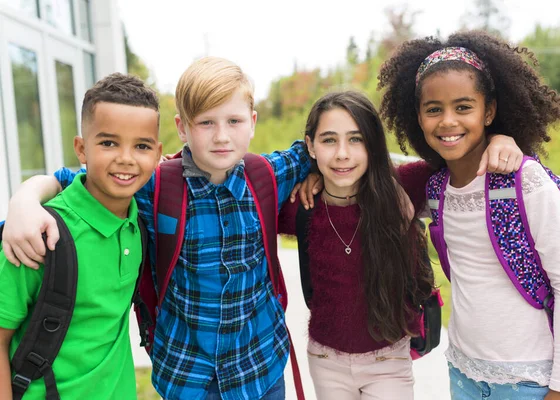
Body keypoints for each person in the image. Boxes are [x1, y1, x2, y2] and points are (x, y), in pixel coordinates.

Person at [1, 57, 311, 400]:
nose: (222, 136)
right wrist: (25, 199)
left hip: (259, 368)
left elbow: (317, 150)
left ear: (252, 122)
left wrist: (317, 177)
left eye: (234, 121)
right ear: (182, 127)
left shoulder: (268, 174)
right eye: (206, 122)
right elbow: (73, 182)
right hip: (186, 376)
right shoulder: (155, 184)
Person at [377, 30, 560, 399]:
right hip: (463, 373)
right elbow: (368, 190)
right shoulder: (435, 190)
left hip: (530, 383)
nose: (447, 122)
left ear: (488, 111)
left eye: (463, 107)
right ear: (418, 117)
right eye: (434, 109)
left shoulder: (525, 180)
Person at [0, 73, 162, 399]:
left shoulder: (139, 222)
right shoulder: (38, 233)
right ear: (81, 148)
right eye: (108, 143)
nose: (126, 158)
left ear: (157, 154)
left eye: (141, 146)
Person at [278, 90, 434, 399]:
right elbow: (238, 184)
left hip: (388, 359)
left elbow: (462, 154)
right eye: (329, 140)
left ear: (373, 143)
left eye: (356, 139)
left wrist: (502, 141)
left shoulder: (403, 186)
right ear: (310, 146)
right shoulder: (301, 205)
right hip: (326, 361)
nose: (342, 154)